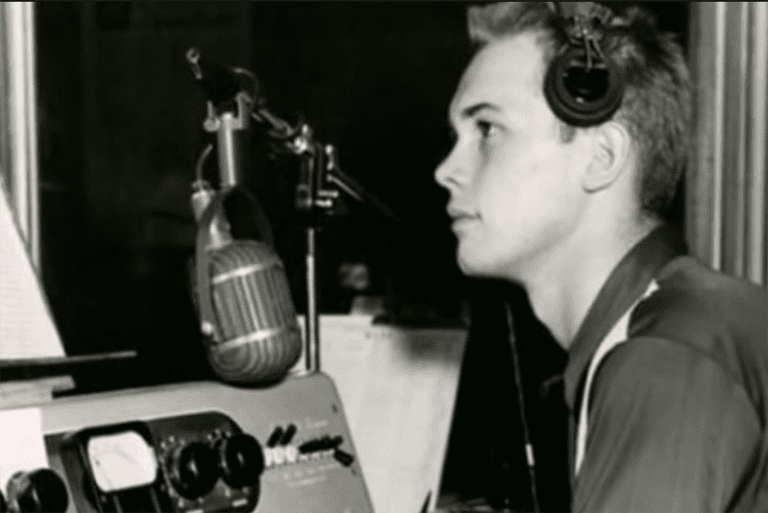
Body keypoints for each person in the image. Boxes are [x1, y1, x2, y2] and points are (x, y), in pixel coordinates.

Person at [434, 1, 768, 511]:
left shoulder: (665, 358)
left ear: (602, 157)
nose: (446, 170)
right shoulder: (673, 323)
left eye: (486, 131)